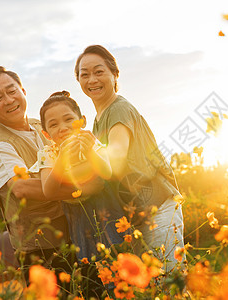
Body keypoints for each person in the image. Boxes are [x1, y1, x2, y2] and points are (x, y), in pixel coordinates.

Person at [74, 45, 185, 271]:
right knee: (154, 287)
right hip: (137, 214)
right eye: (84, 74)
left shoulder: (118, 109)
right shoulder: (99, 119)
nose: (92, 79)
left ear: (114, 74)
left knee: (170, 284)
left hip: (157, 206)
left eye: (98, 71)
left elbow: (115, 159)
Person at [0, 66, 72, 286]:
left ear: (23, 91)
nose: (8, 100)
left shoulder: (43, 125)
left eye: (11, 91)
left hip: (73, 234)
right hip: (41, 250)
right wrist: (79, 190)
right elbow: (21, 188)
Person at [31, 90, 125, 260]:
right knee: (92, 260)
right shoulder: (49, 153)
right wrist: (61, 160)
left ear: (82, 121)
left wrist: (89, 152)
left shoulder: (91, 141)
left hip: (107, 205)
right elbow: (49, 191)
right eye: (53, 125)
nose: (63, 128)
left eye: (69, 120)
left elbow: (107, 172)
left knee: (119, 250)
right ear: (46, 134)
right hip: (77, 212)